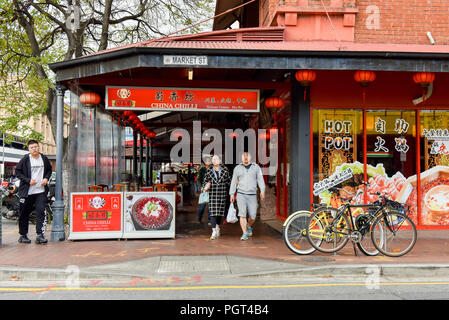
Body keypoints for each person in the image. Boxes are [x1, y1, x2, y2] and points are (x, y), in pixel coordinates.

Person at [15, 140, 52, 244]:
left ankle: (40, 235)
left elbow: (49, 170)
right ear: (29, 149)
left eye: (36, 147)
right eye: (32, 147)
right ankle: (23, 235)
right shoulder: (25, 159)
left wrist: (46, 178)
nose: (34, 149)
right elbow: (17, 172)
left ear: (38, 147)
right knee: (24, 214)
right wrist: (28, 180)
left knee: (41, 212)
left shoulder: (43, 158)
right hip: (27, 192)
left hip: (40, 191)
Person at [230, 152, 266, 241]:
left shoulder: (256, 167)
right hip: (241, 194)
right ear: (241, 158)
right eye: (244, 156)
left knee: (253, 216)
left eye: (247, 156)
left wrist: (262, 190)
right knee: (242, 215)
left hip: (252, 195)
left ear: (250, 158)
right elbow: (234, 181)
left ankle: (249, 226)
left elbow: (260, 180)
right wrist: (232, 194)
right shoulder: (237, 168)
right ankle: (244, 233)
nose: (245, 158)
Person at [202, 155, 231, 240]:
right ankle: (214, 231)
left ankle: (217, 226)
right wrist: (205, 186)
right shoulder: (209, 171)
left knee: (219, 214)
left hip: (222, 194)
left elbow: (229, 182)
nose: (214, 161)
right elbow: (204, 182)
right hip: (213, 194)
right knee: (213, 213)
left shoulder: (225, 170)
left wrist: (232, 193)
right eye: (213, 159)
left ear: (220, 160)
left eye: (216, 159)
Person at [197, 156, 211, 223]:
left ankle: (209, 220)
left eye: (210, 161)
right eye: (207, 161)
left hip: (211, 189)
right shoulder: (202, 170)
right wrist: (201, 187)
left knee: (210, 206)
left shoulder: (212, 169)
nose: (209, 162)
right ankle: (199, 218)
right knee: (203, 205)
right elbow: (198, 180)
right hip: (204, 189)